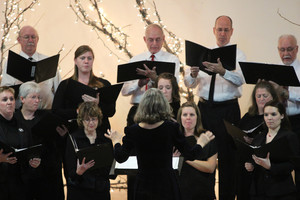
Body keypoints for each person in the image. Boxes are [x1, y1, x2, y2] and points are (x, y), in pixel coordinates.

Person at [105, 88, 215, 200]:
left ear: (143, 107)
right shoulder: (171, 128)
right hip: (166, 184)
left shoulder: (133, 131)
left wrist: (116, 140)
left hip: (144, 184)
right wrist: (201, 142)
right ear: (163, 106)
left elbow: (120, 157)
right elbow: (191, 155)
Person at [184, 15, 246, 200]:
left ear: (232, 32)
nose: (222, 33)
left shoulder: (238, 54)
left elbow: (240, 80)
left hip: (228, 110)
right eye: (219, 29)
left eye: (226, 30)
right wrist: (193, 74)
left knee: (228, 160)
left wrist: (224, 72)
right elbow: (189, 84)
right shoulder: (203, 53)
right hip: (205, 111)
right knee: (204, 155)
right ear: (214, 30)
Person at [14, 81, 66, 200]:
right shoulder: (14, 119)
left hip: (45, 174)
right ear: (22, 99)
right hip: (21, 175)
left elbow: (55, 146)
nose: (37, 100)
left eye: (38, 98)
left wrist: (61, 136)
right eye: (33, 97)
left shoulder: (46, 117)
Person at [121, 23, 180, 127]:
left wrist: (156, 79)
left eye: (158, 39)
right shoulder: (135, 60)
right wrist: (139, 84)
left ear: (163, 39)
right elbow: (124, 91)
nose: (154, 43)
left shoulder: (172, 60)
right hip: (137, 110)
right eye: (150, 40)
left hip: (162, 111)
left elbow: (174, 87)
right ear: (144, 39)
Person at [52, 45, 115, 133]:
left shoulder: (104, 84)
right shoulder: (65, 85)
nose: (86, 61)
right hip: (75, 131)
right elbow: (56, 111)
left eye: (89, 58)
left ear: (93, 61)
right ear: (75, 61)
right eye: (82, 58)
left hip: (100, 132)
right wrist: (78, 111)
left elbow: (111, 111)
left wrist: (98, 104)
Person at [244, 100, 299, 199]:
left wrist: (271, 167)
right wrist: (250, 165)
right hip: (259, 191)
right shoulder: (259, 137)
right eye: (266, 115)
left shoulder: (289, 136)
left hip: (281, 191)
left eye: (273, 114)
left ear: (282, 116)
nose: (269, 118)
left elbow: (294, 164)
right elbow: (253, 157)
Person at [236, 80, 279, 200]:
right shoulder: (248, 116)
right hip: (244, 162)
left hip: (262, 165)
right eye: (258, 96)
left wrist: (254, 141)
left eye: (265, 96)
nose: (261, 99)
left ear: (273, 97)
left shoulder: (274, 118)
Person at [1, 25, 61, 109]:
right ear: (19, 40)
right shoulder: (11, 62)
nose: (30, 40)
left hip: (46, 111)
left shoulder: (48, 61)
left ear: (37, 39)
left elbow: (59, 89)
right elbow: (5, 90)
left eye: (33, 37)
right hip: (21, 113)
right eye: (26, 37)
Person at [269, 34, 300, 197]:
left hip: (298, 121)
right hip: (279, 123)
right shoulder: (274, 70)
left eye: (289, 49)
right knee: (280, 164)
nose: (286, 53)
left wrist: (284, 92)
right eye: (282, 49)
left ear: (297, 49)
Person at [64, 102, 112, 200]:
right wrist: (78, 172)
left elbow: (111, 170)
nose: (91, 123)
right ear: (81, 120)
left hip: (101, 191)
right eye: (87, 119)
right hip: (80, 191)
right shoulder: (73, 139)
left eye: (94, 119)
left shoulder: (105, 139)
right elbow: (70, 172)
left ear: (98, 119)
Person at [0, 86, 41, 200]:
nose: (9, 102)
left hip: (21, 182)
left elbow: (31, 149)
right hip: (2, 183)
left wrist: (35, 161)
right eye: (4, 99)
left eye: (11, 99)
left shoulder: (22, 125)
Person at [177, 101, 218, 200]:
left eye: (192, 114)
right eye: (185, 115)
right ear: (180, 118)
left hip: (203, 192)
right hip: (180, 192)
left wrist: (185, 158)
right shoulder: (175, 139)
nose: (188, 118)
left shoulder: (207, 137)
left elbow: (210, 167)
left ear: (197, 117)